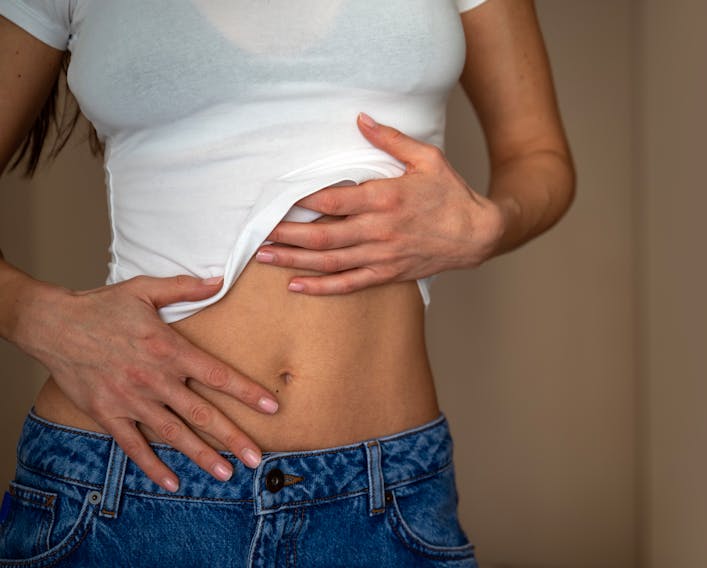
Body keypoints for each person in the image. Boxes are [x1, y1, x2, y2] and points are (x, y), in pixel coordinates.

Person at [0, 0, 575, 565]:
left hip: (386, 496)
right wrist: (37, 316)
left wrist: (486, 224)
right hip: (130, 489)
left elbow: (539, 155)